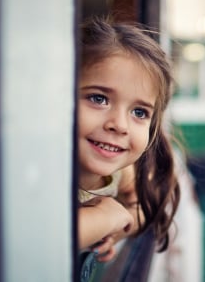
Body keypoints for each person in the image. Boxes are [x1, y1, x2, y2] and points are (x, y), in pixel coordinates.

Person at [77, 15, 181, 280]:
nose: (120, 125)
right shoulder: (37, 175)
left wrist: (118, 225)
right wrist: (104, 216)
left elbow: (141, 208)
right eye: (98, 98)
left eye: (139, 112)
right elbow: (41, 238)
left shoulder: (119, 174)